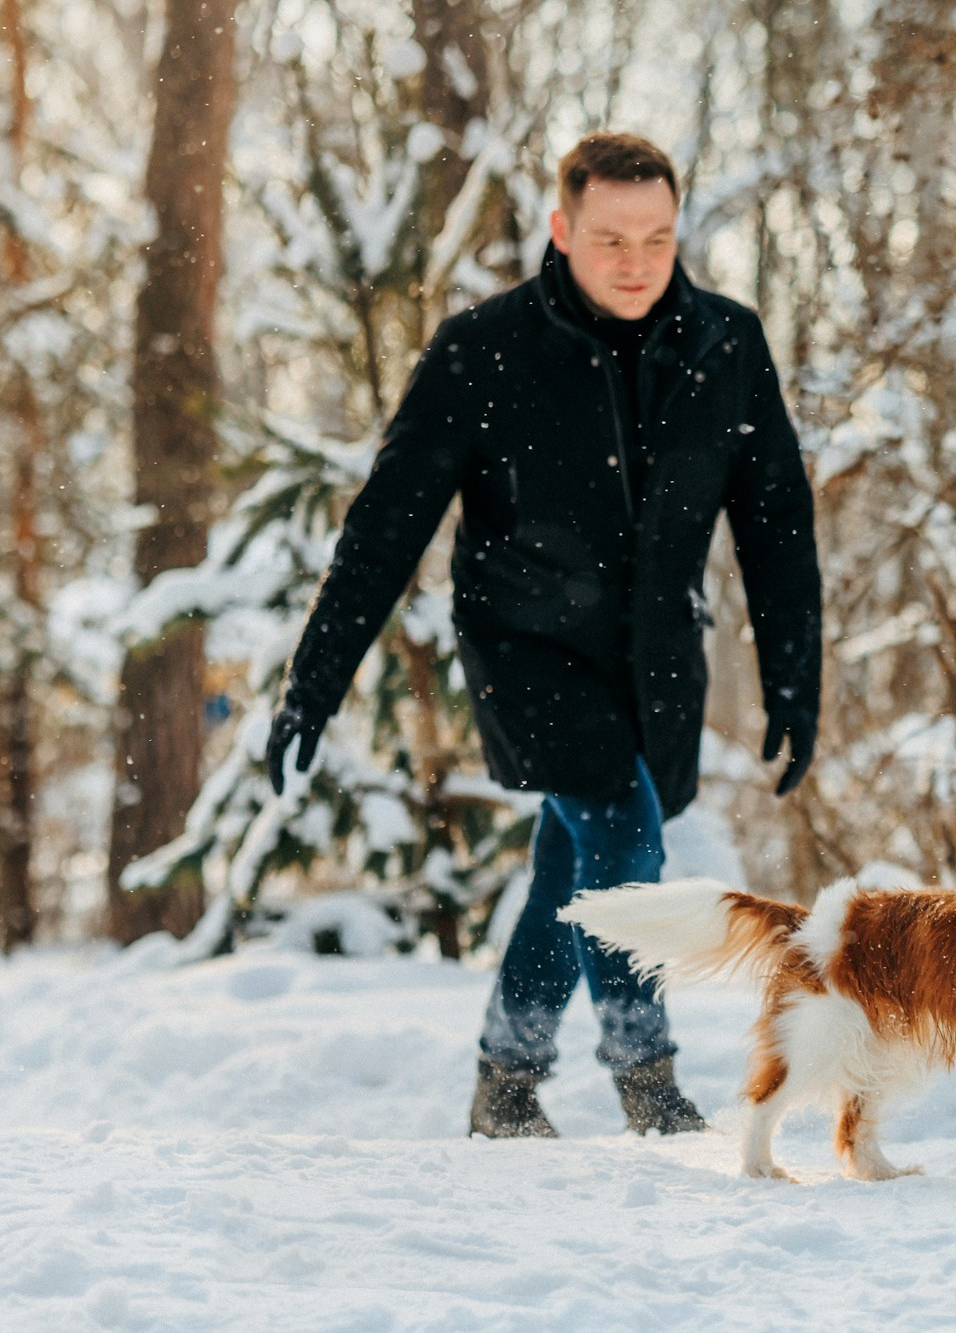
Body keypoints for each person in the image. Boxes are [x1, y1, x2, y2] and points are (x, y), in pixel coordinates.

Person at [263, 132, 821, 1138]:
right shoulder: (484, 350)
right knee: (619, 830)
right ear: (560, 229)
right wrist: (315, 678)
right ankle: (646, 1078)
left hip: (655, 653)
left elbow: (775, 521)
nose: (634, 260)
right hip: (523, 644)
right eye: (609, 237)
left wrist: (794, 677)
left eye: (655, 237)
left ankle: (506, 1085)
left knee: (574, 865)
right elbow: (386, 524)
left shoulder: (724, 344)